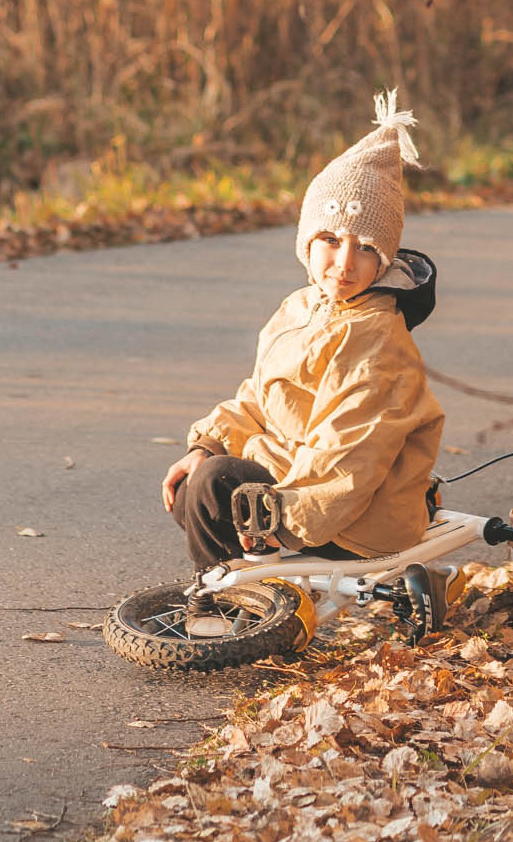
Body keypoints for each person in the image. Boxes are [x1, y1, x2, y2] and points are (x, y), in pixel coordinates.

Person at [162, 92, 445, 573]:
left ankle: (242, 600)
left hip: (353, 515)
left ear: (386, 258)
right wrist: (206, 443)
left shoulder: (375, 337)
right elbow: (260, 399)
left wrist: (283, 520)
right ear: (307, 242)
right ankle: (240, 592)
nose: (344, 263)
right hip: (296, 480)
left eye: (366, 249)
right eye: (331, 241)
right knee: (196, 482)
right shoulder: (302, 307)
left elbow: (352, 453)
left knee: (216, 484)